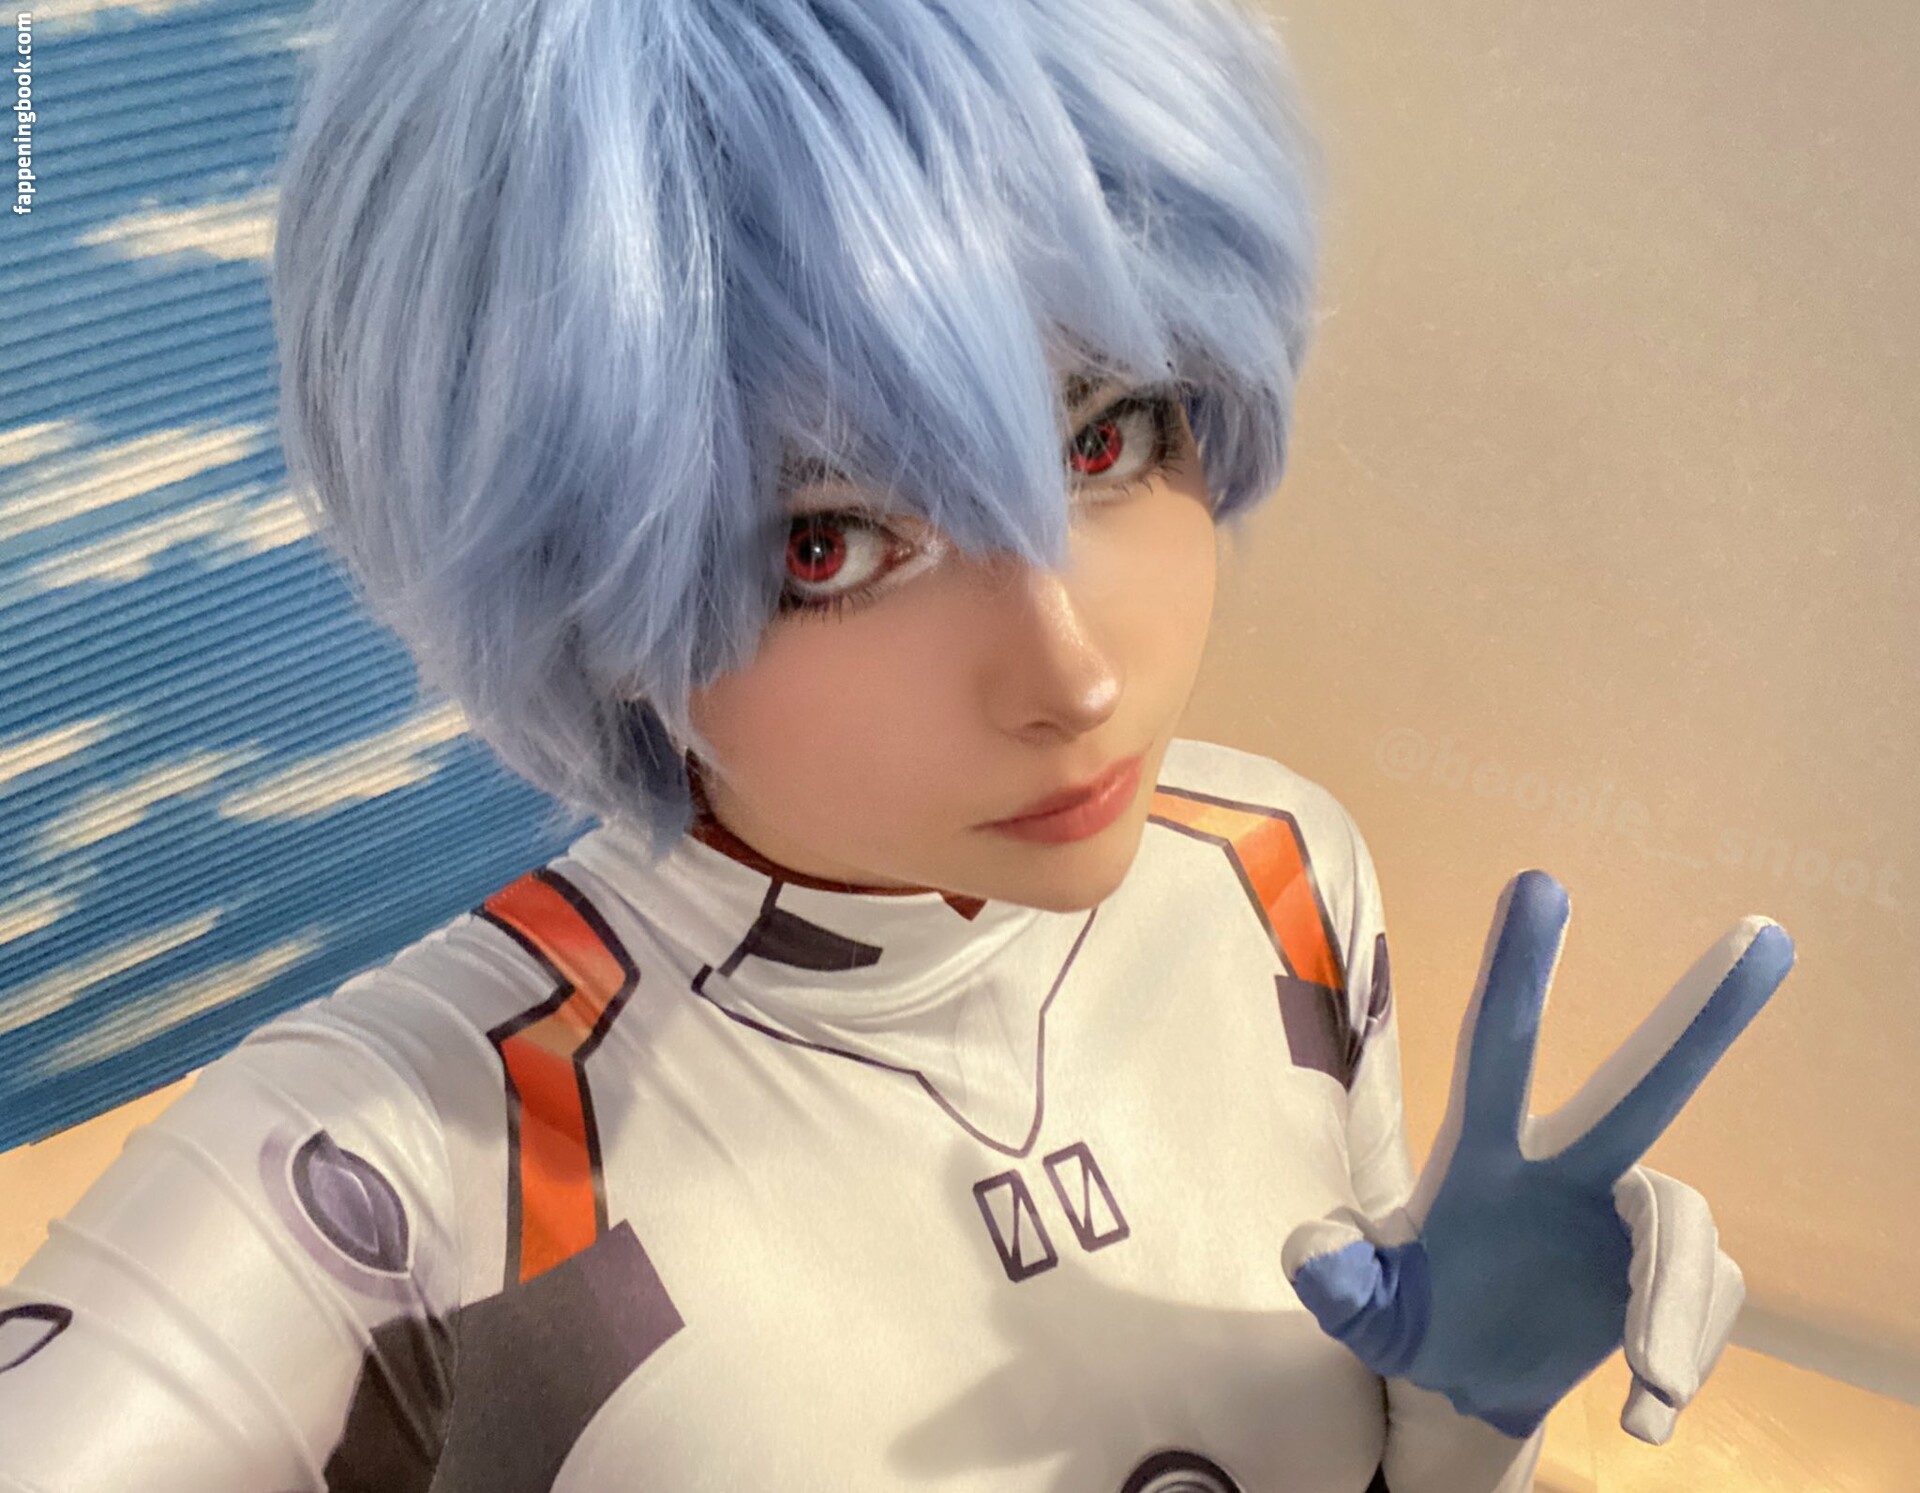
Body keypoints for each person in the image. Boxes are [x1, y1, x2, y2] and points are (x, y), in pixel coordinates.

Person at [0, 0, 1792, 1489]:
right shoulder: (417, 1162)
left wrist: (1473, 1412)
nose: (1071, 672)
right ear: (578, 586)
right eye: (833, 543)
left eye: (1105, 439)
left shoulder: (1276, 874)